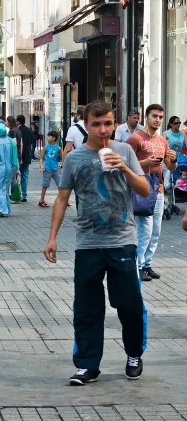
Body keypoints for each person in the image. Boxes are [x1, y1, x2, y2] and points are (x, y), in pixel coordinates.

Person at [43, 100, 149, 385]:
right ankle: (87, 365)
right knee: (87, 307)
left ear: (114, 123)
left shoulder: (124, 149)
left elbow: (144, 188)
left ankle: (134, 354)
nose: (103, 129)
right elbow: (63, 199)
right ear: (85, 125)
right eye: (96, 124)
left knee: (129, 303)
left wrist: (125, 168)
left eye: (108, 123)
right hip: (87, 243)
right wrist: (52, 238)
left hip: (122, 241)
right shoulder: (75, 159)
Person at [125, 104, 176, 281]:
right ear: (146, 117)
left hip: (159, 189)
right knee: (144, 230)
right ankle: (137, 266)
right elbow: (125, 166)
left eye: (161, 117)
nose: (158, 120)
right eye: (154, 116)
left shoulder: (162, 140)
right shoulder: (135, 138)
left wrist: (173, 160)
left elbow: (170, 167)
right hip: (142, 190)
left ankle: (147, 264)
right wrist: (145, 163)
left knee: (156, 231)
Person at [0, 123, 19, 218]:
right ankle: (7, 208)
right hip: (10, 168)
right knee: (5, 188)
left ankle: (2, 209)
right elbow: (15, 156)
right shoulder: (11, 141)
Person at [39, 131, 63, 208]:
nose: (47, 138)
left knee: (60, 184)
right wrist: (41, 166)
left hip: (55, 169)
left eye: (49, 136)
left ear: (53, 138)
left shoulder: (58, 148)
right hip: (47, 169)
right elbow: (41, 158)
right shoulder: (45, 147)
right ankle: (41, 200)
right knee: (45, 185)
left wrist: (62, 165)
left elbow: (63, 157)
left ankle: (64, 200)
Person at [17, 115, 35, 202]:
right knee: (24, 175)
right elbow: (32, 141)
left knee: (17, 175)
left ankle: (17, 194)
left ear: (18, 121)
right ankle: (24, 195)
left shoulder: (17, 131)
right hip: (27, 155)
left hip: (19, 156)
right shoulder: (29, 130)